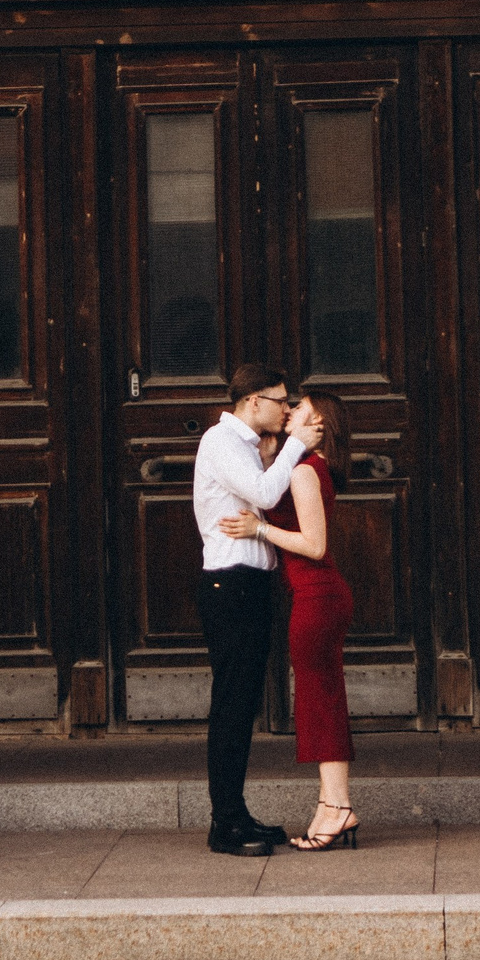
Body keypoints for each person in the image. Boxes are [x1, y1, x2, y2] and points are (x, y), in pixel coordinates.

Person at [220, 388, 357, 850]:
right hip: (314, 597)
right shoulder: (299, 466)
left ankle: (337, 808)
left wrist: (260, 529)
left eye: (299, 407)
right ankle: (331, 805)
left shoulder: (304, 471)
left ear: (319, 423)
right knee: (321, 700)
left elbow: (315, 546)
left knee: (319, 702)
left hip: (317, 597)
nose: (289, 409)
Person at [189, 364, 313, 857]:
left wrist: (272, 455)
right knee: (232, 706)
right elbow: (265, 495)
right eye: (280, 401)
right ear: (251, 402)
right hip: (230, 584)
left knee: (243, 706)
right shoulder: (221, 442)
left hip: (251, 584)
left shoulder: (246, 447)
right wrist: (298, 444)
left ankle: (236, 813)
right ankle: (224, 822)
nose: (287, 409)